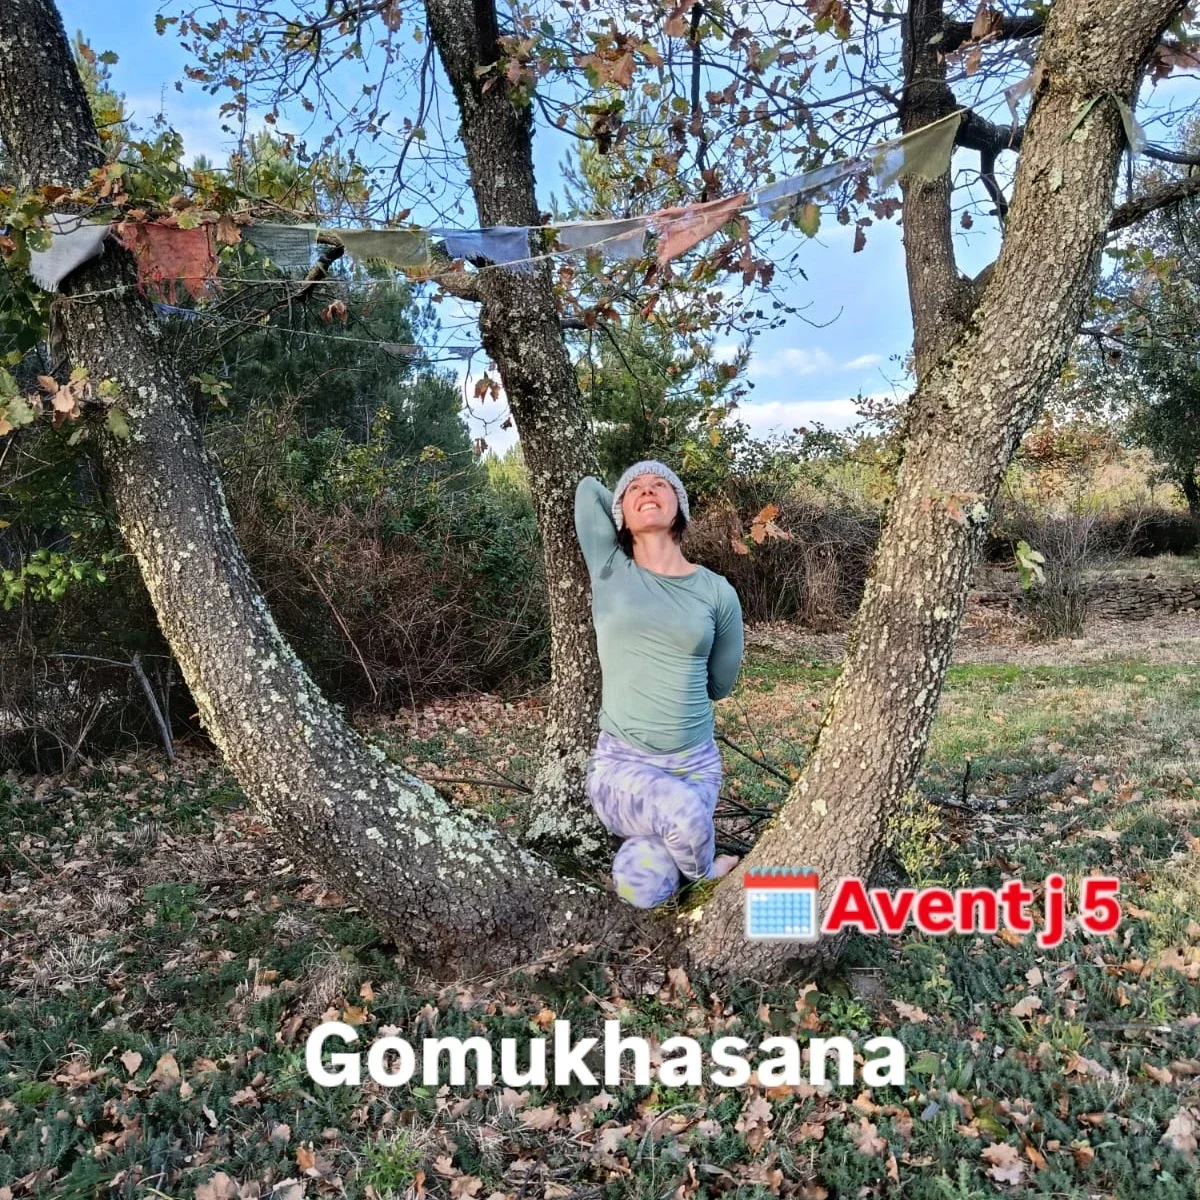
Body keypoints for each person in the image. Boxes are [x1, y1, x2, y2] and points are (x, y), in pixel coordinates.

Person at [574, 460, 745, 908]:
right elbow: (589, 489)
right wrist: (623, 505)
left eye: (660, 485)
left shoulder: (717, 592)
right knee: (682, 816)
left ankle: (681, 860)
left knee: (642, 889)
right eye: (634, 488)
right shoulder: (610, 569)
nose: (647, 490)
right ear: (620, 515)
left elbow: (720, 684)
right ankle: (706, 875)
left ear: (680, 508)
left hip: (694, 767)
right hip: (621, 768)